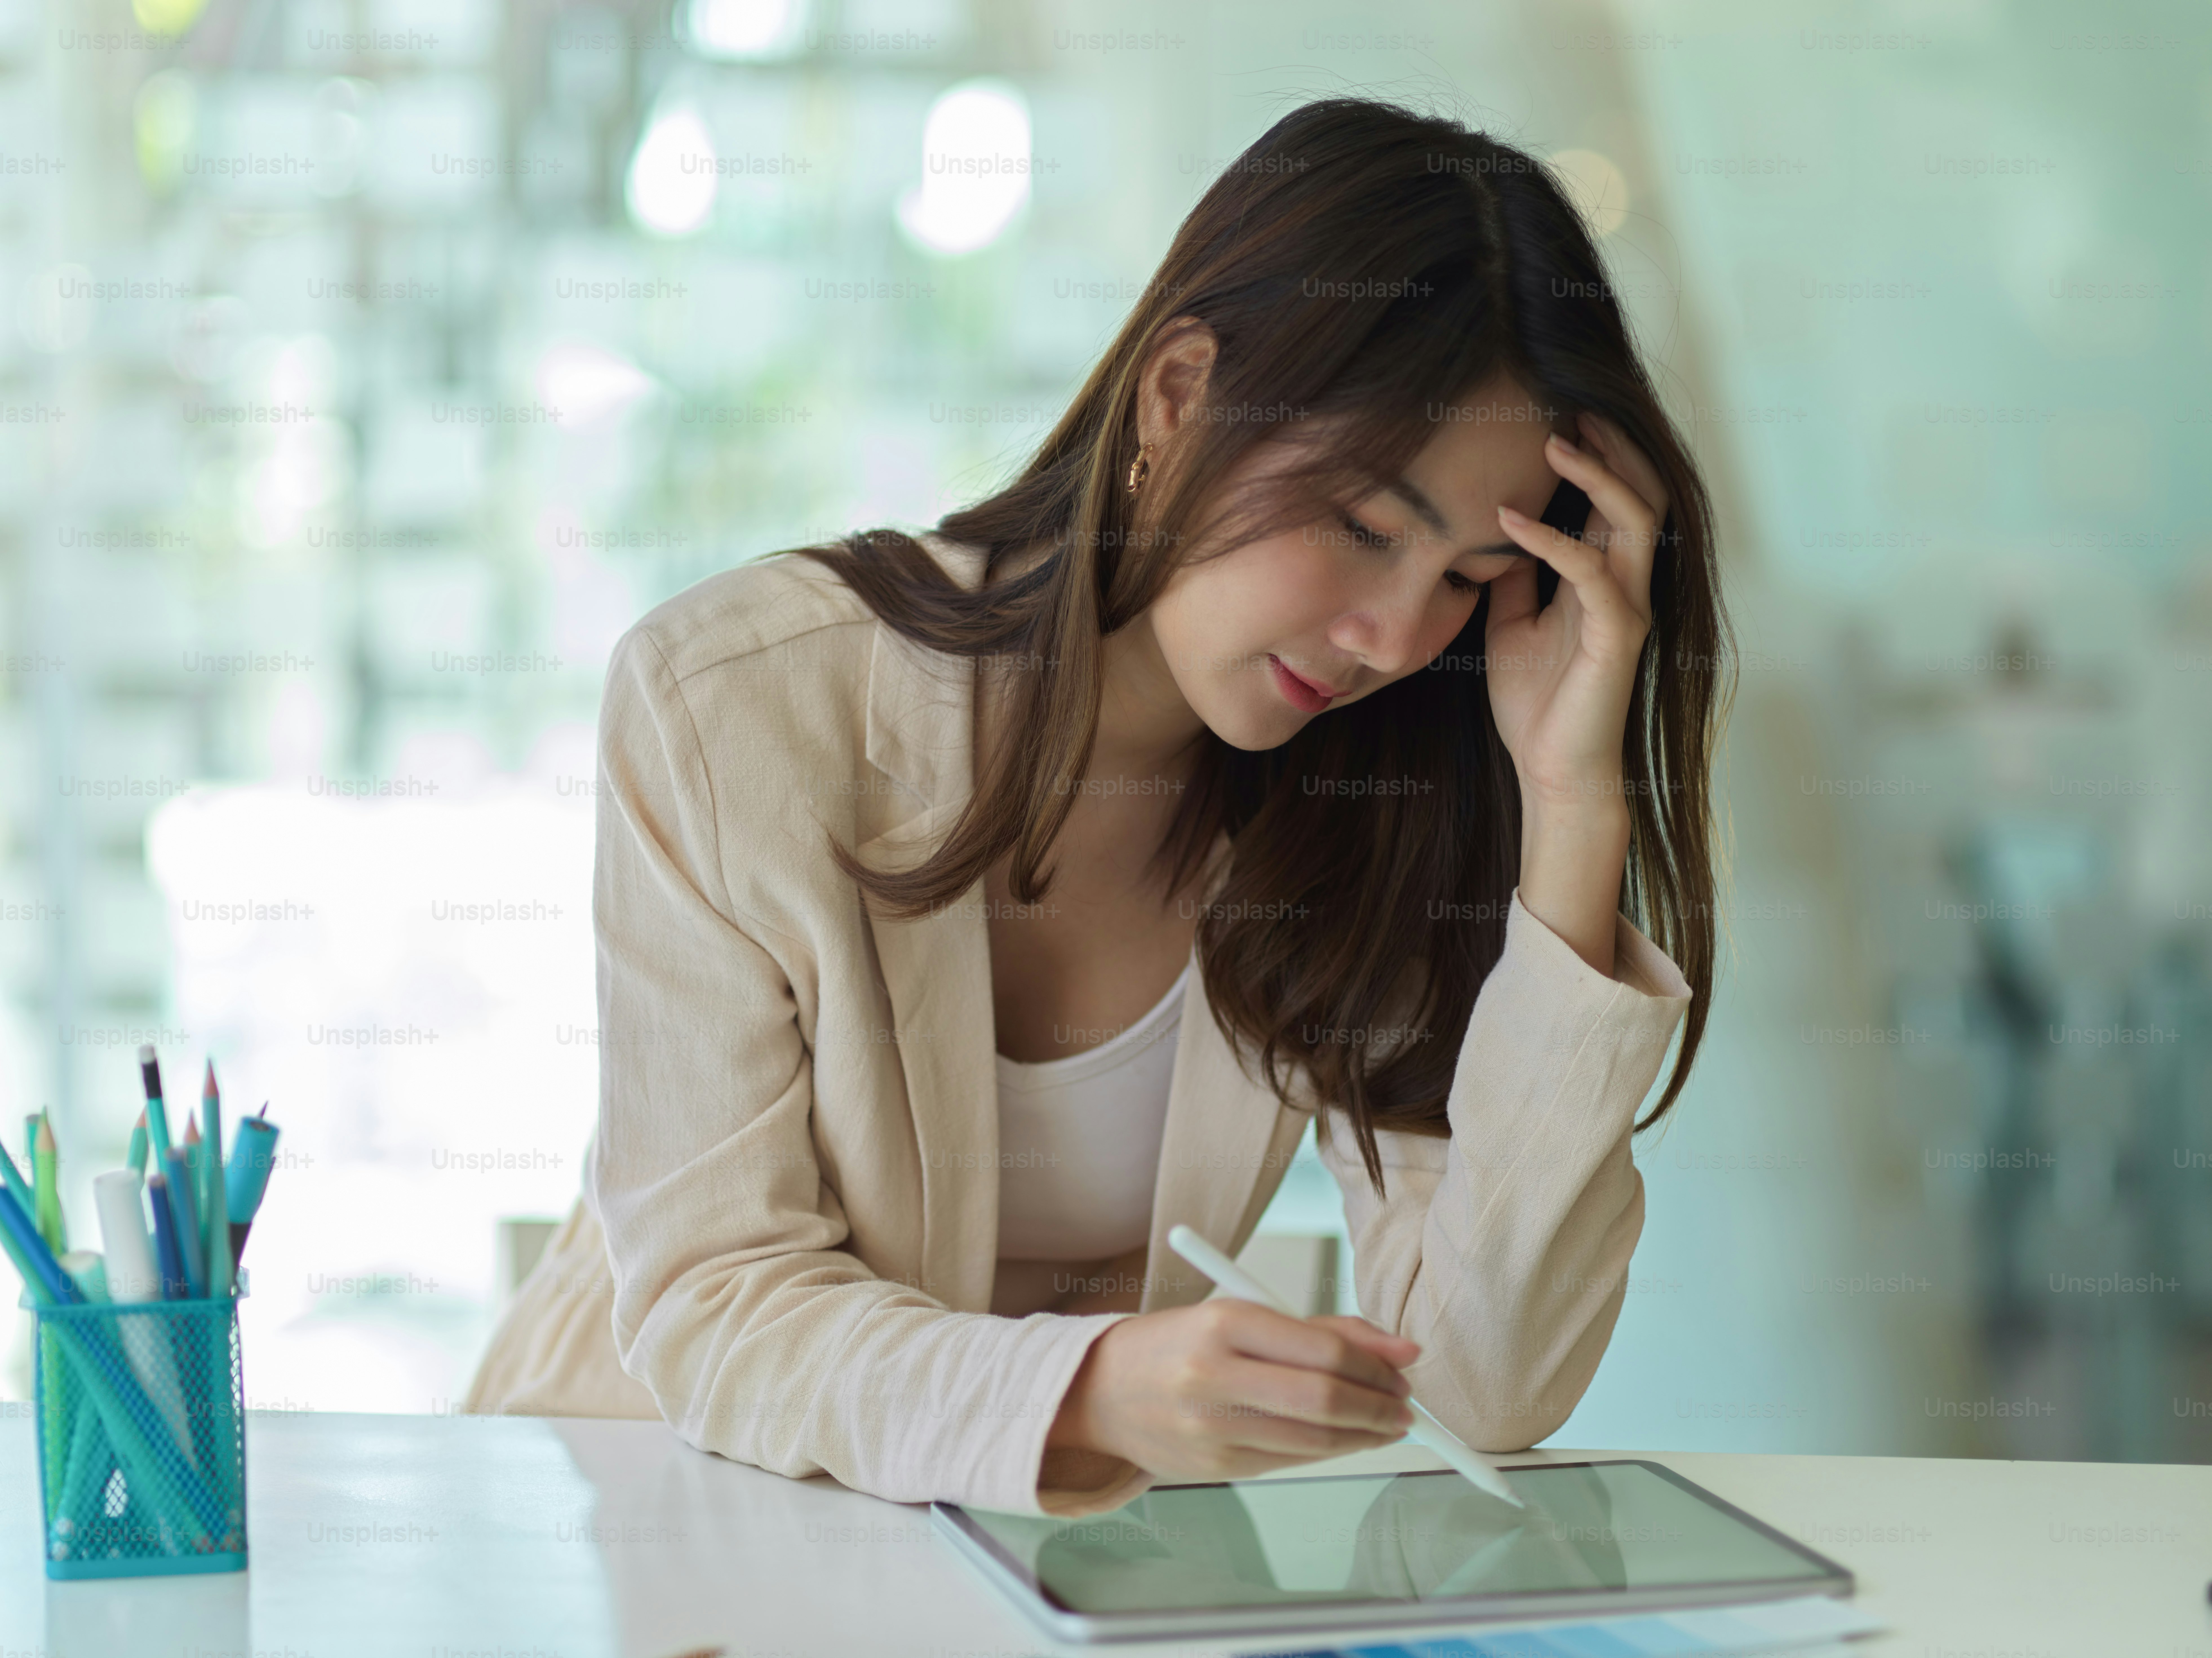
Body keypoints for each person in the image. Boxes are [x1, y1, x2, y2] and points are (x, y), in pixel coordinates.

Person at [464, 96, 1729, 1520]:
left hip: (1055, 1571)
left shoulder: (1374, 804)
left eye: (1460, 580)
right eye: (1366, 526)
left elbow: (1480, 1388)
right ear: (1179, 397)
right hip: (660, 1522)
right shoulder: (735, 702)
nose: (1391, 633)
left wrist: (1570, 809)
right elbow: (717, 1304)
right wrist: (1093, 1388)